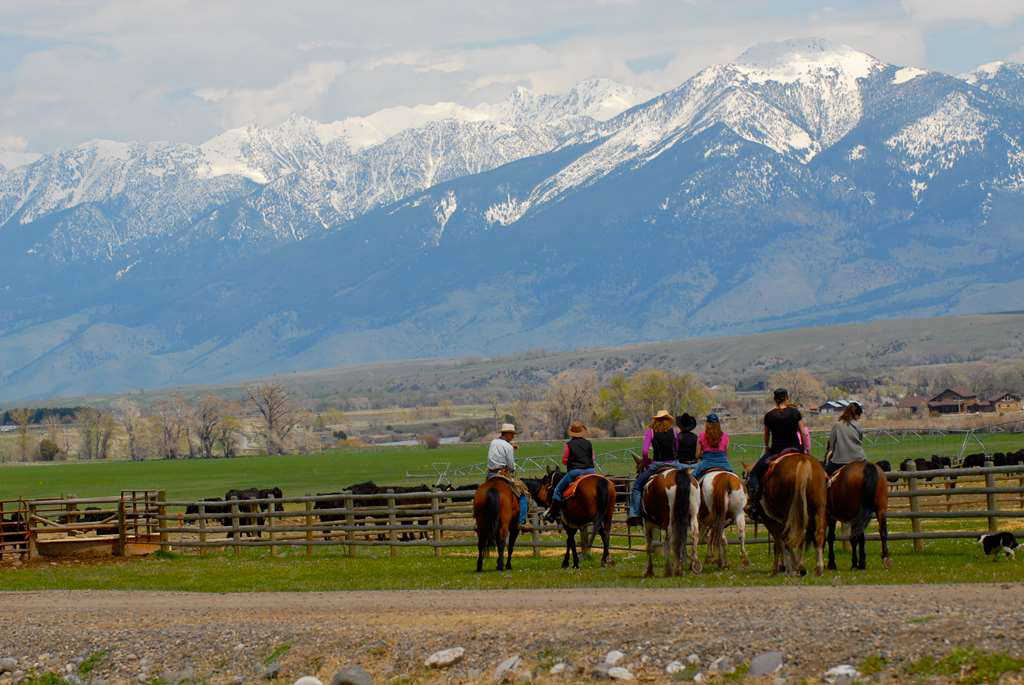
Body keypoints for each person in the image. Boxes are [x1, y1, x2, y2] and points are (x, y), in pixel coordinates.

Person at [745, 389, 809, 515]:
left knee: (753, 474)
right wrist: (805, 449)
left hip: (777, 451)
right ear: (787, 398)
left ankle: (753, 504)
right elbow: (803, 433)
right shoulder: (795, 412)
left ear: (775, 399)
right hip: (796, 449)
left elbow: (766, 435)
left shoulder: (769, 416)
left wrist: (766, 447)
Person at [627, 410, 680, 526]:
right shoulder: (674, 431)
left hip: (657, 464)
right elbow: (677, 448)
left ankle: (634, 514)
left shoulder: (650, 431)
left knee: (637, 487)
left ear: (655, 420)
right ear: (668, 420)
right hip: (675, 464)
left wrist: (646, 462)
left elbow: (645, 452)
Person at [543, 420, 596, 521]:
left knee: (557, 490)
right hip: (591, 471)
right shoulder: (589, 443)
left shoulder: (569, 444)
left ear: (572, 433)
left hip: (575, 472)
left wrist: (572, 461)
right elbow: (593, 458)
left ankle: (553, 514)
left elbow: (564, 460)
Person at [486, 423, 532, 532]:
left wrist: (511, 446)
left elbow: (500, 448)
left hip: (490, 474)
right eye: (512, 434)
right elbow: (511, 466)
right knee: (523, 493)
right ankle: (522, 521)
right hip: (503, 474)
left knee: (485, 494)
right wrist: (512, 469)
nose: (513, 437)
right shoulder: (508, 447)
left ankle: (478, 521)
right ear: (508, 434)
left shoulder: (493, 442)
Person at [824, 402, 866, 477]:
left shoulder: (837, 425)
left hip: (839, 460)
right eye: (859, 416)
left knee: (825, 476)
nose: (859, 418)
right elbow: (860, 440)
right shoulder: (858, 425)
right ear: (856, 415)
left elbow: (831, 445)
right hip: (859, 458)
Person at [692, 414, 735, 480]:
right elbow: (726, 455)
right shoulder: (725, 436)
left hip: (706, 462)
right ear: (718, 424)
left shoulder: (701, 435)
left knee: (691, 478)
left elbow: (697, 455)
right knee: (735, 477)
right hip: (724, 462)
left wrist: (702, 455)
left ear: (707, 424)